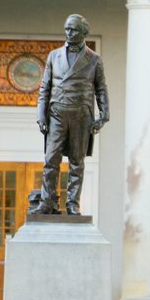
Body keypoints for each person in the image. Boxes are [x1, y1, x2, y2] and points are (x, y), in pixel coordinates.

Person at [31, 14, 109, 215]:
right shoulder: (53, 56)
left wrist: (104, 114)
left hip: (81, 115)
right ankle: (47, 202)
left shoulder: (94, 59)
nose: (69, 32)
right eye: (67, 29)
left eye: (73, 29)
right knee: (51, 160)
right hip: (57, 113)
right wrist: (41, 115)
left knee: (77, 161)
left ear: (84, 32)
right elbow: (44, 88)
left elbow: (101, 88)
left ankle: (73, 203)